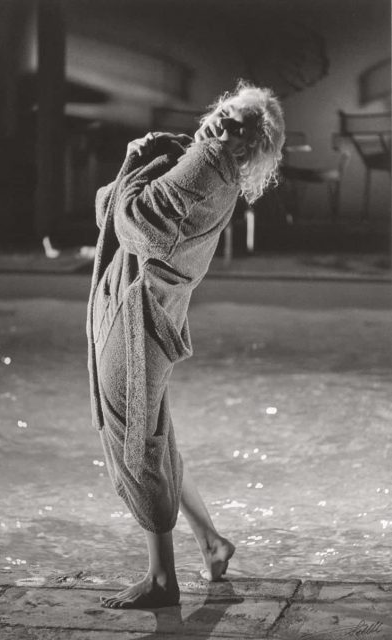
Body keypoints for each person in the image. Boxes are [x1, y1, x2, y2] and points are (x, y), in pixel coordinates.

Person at [86, 80, 285, 609]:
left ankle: (161, 579)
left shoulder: (204, 163)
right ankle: (211, 542)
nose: (222, 121)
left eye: (238, 122)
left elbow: (133, 224)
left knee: (138, 443)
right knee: (155, 436)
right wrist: (143, 163)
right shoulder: (216, 168)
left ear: (247, 140)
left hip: (137, 317)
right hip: (156, 313)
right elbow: (114, 209)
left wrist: (136, 160)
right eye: (226, 110)